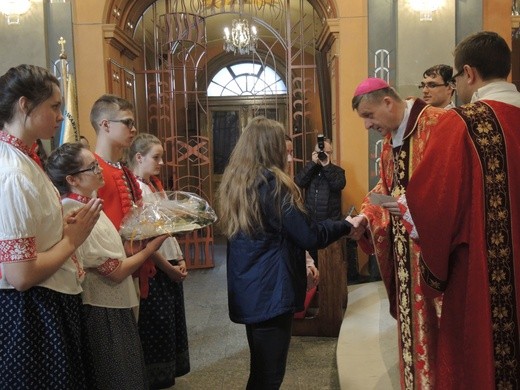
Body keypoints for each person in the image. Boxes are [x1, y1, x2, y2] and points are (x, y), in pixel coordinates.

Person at [398, 31, 520, 389]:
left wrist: (434, 269)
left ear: (469, 73)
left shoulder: (463, 122)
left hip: (485, 279)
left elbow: (432, 204)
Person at [217, 116, 359, 389]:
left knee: (260, 370)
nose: (289, 157)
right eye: (286, 151)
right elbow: (308, 234)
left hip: (251, 287)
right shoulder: (273, 184)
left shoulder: (240, 182)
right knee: (269, 375)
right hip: (271, 289)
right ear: (270, 149)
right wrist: (345, 225)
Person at [0, 64, 102, 388]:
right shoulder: (13, 172)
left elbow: (33, 231)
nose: (61, 116)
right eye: (54, 106)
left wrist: (59, 228)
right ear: (24, 105)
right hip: (31, 312)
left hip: (46, 301)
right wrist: (71, 240)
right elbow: (20, 275)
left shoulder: (26, 158)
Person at [347, 77, 445, 389]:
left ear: (388, 102)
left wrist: (410, 207)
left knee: (442, 333)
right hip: (406, 261)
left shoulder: (440, 125)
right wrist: (366, 215)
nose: (367, 126)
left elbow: (452, 190)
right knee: (413, 331)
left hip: (436, 258)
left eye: (368, 116)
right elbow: (385, 189)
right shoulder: (389, 143)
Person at [45, 142, 167, 389]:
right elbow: (115, 271)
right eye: (92, 167)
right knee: (117, 377)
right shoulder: (75, 211)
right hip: (102, 308)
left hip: (113, 304)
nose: (99, 170)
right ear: (72, 179)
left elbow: (114, 254)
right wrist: (151, 248)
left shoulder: (89, 205)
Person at [127, 133, 191, 388]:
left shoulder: (153, 185)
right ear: (139, 157)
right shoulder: (135, 188)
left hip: (169, 260)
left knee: (168, 328)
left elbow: (168, 230)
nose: (162, 162)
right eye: (157, 157)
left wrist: (181, 258)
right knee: (156, 328)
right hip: (155, 267)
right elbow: (143, 240)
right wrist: (168, 268)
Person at [294, 137, 346, 264]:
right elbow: (298, 182)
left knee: (330, 265)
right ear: (314, 153)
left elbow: (338, 185)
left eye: (327, 153)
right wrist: (312, 163)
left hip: (330, 225)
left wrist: (326, 165)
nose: (323, 155)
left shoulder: (337, 171)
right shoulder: (311, 170)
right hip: (311, 224)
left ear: (331, 154)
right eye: (320, 153)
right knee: (313, 262)